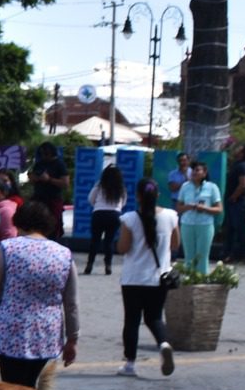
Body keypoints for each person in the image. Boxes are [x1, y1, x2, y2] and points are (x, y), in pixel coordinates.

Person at [0, 200, 79, 388]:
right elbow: (71, 303)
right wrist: (72, 338)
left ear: (19, 222)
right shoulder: (64, 254)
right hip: (46, 335)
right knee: (32, 389)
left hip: (11, 332)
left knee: (12, 389)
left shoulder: (8, 249)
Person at [116, 178, 179, 377]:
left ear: (138, 196)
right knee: (154, 317)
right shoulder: (170, 216)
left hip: (133, 278)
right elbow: (175, 244)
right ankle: (164, 344)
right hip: (159, 277)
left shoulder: (130, 219)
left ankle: (130, 364)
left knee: (132, 321)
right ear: (158, 195)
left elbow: (123, 248)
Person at [175, 159, 222, 274]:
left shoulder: (212, 187)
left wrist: (205, 208)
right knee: (189, 256)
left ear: (204, 173)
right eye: (192, 171)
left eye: (197, 170)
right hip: (187, 224)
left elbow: (219, 209)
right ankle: (189, 282)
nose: (194, 173)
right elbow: (178, 208)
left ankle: (202, 282)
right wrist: (188, 206)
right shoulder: (185, 186)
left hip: (205, 225)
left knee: (202, 256)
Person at [86, 164, 126, 277]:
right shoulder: (120, 187)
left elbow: (90, 198)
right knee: (109, 241)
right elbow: (123, 202)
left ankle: (89, 264)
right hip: (114, 215)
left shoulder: (99, 185)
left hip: (99, 214)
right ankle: (108, 266)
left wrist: (97, 206)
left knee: (95, 240)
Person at [29, 143, 69, 240]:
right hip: (39, 197)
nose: (44, 156)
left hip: (53, 198)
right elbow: (32, 178)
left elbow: (65, 183)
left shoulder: (60, 164)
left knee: (54, 224)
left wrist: (49, 179)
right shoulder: (39, 164)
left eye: (46, 153)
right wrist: (34, 178)